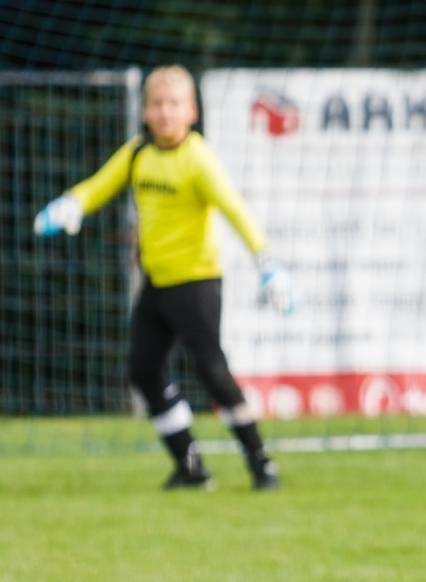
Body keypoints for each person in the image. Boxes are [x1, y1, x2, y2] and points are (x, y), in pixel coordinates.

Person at [33, 65, 294, 491]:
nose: (165, 113)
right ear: (145, 112)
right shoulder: (139, 154)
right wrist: (71, 205)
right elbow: (100, 185)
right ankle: (190, 466)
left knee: (213, 372)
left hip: (197, 283)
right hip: (156, 284)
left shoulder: (199, 160)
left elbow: (236, 212)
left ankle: (261, 461)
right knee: (144, 370)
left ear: (191, 111)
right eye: (157, 104)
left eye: (174, 104)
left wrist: (268, 265)